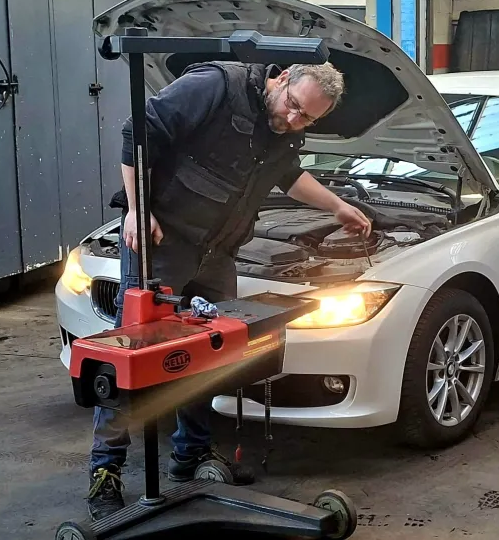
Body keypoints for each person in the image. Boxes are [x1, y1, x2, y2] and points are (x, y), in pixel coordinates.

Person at [86, 60, 372, 521]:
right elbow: (138, 131)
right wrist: (137, 208)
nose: (293, 119)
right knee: (128, 357)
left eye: (307, 119)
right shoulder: (218, 85)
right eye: (293, 105)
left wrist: (338, 206)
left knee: (209, 352)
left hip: (217, 252)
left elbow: (287, 174)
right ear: (282, 78)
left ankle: (192, 455)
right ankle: (106, 469)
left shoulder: (285, 130)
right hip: (162, 243)